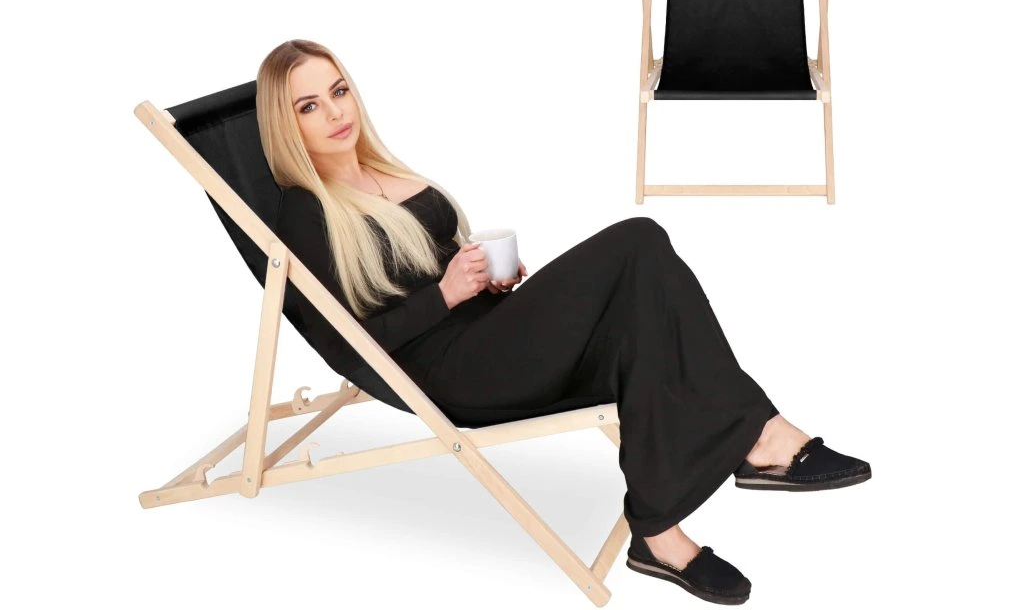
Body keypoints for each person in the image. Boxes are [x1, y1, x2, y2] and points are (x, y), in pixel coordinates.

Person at [255, 39, 871, 605]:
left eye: (338, 91)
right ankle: (759, 439)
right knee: (639, 240)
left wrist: (482, 281)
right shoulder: (305, 214)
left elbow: (427, 266)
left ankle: (662, 530)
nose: (334, 112)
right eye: (309, 106)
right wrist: (445, 296)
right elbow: (347, 347)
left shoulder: (377, 169)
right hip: (456, 373)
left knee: (642, 318)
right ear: (287, 125)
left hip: (491, 330)